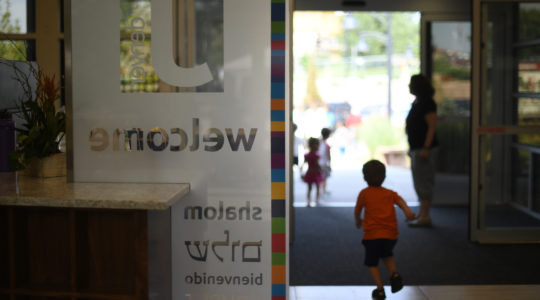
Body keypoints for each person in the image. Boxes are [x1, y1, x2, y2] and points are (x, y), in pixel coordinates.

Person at [354, 160, 415, 300]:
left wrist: (358, 221)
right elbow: (401, 202)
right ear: (384, 177)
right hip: (391, 235)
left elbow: (357, 211)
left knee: (372, 262)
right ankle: (394, 274)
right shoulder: (390, 193)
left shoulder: (364, 194)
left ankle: (380, 290)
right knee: (387, 254)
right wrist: (408, 213)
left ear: (364, 177)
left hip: (372, 236)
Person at [405, 74, 438, 227]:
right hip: (416, 148)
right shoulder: (417, 102)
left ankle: (425, 216)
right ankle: (422, 213)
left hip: (424, 149)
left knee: (424, 181)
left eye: (411, 84)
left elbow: (431, 127)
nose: (409, 87)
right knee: (419, 181)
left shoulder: (428, 104)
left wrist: (426, 148)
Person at [302, 137, 324, 207]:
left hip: (309, 172)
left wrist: (301, 172)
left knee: (309, 187)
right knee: (317, 186)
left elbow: (303, 164)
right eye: (318, 145)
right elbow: (317, 164)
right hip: (316, 172)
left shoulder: (307, 155)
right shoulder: (316, 155)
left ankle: (308, 201)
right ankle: (317, 200)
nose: (318, 147)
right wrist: (322, 169)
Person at [318, 128, 331, 195]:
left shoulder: (319, 142)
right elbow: (328, 155)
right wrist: (329, 163)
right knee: (324, 177)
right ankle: (323, 190)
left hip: (319, 162)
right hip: (324, 163)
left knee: (321, 176)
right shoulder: (325, 144)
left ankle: (321, 190)